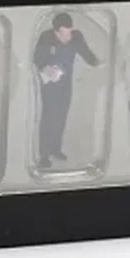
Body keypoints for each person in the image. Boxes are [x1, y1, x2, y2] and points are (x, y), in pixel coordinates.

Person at [33, 12, 102, 169]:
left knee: (61, 116)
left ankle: (56, 148)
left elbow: (86, 53)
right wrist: (46, 68)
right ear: (56, 30)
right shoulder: (46, 37)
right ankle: (44, 155)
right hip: (50, 83)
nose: (67, 35)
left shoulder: (76, 36)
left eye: (69, 31)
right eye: (64, 33)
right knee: (49, 117)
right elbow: (37, 58)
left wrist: (97, 63)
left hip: (66, 83)